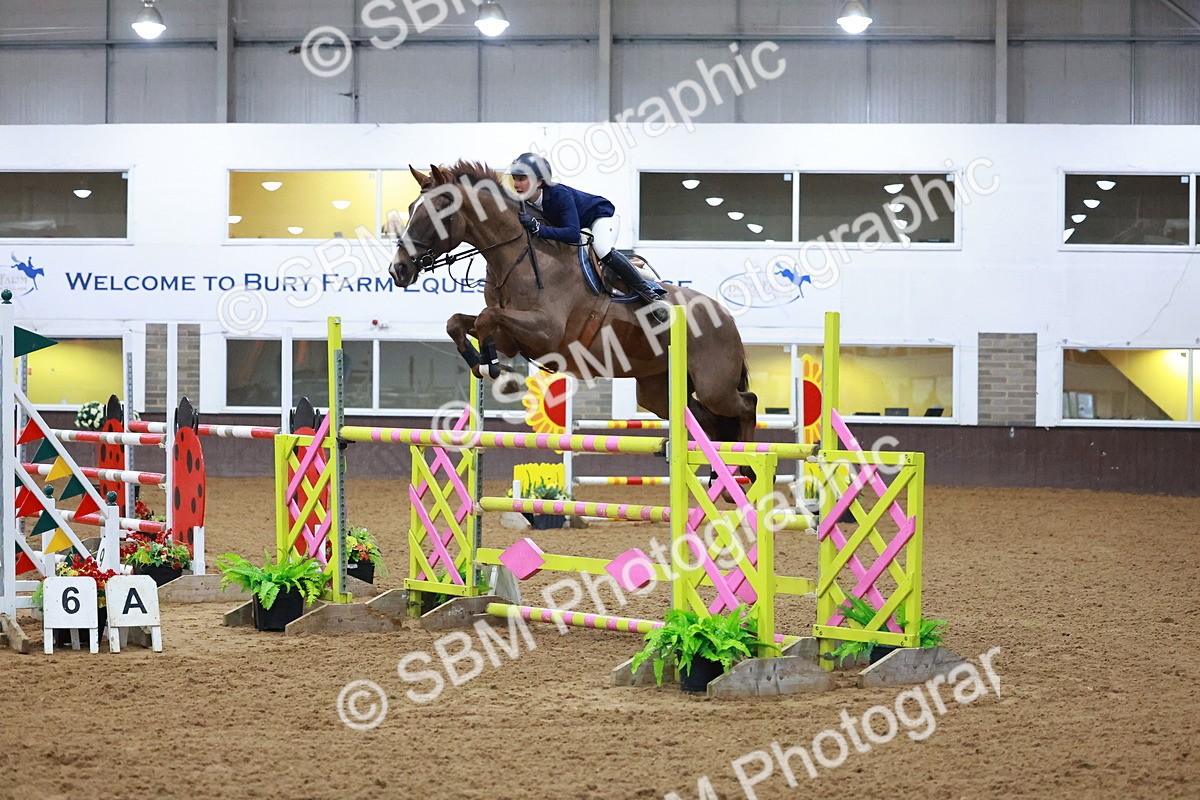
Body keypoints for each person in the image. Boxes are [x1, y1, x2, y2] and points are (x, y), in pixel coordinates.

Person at [508, 152, 670, 324]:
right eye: (514, 179)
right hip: (581, 226)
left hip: (600, 217)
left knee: (602, 250)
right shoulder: (524, 203)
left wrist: (538, 228)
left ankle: (651, 296)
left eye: (522, 179)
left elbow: (572, 233)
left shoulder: (559, 194)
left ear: (539, 181)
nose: (516, 184)